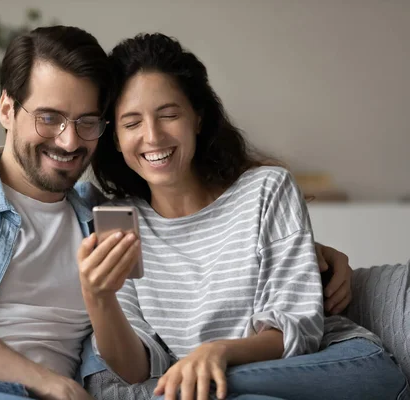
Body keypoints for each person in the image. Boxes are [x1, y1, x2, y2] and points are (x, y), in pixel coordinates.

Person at [0, 26, 357, 400]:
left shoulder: (105, 218)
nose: (68, 140)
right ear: (7, 109)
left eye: (86, 121)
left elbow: (195, 252)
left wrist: (313, 255)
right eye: (50, 118)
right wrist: (46, 383)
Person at [79, 33, 409, 400]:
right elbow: (135, 368)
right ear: (116, 139)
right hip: (223, 389)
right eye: (131, 123)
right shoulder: (117, 223)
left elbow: (297, 330)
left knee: (189, 390)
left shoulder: (266, 189)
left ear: (198, 118)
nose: (153, 136)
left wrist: (216, 353)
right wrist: (99, 297)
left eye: (169, 115)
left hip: (343, 365)